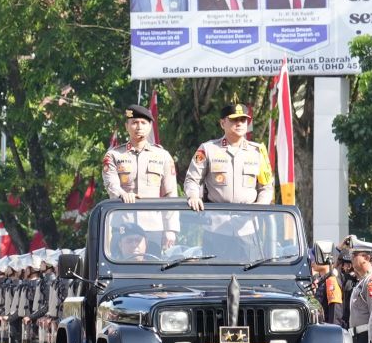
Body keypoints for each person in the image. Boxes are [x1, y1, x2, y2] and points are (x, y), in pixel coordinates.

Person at [102, 104, 179, 249]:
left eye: (143, 123)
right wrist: (123, 194)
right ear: (127, 126)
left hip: (153, 226)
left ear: (150, 126)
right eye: (134, 122)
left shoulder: (162, 156)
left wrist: (170, 229)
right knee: (120, 269)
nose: (139, 127)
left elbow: (170, 194)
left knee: (153, 269)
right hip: (123, 223)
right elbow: (111, 185)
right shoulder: (114, 155)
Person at [184, 104, 274, 208]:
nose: (239, 123)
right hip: (216, 217)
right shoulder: (206, 149)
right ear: (222, 123)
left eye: (243, 120)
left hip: (248, 218)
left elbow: (266, 187)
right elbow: (191, 179)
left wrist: (260, 207)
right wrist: (193, 196)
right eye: (234, 120)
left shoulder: (258, 152)